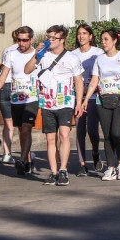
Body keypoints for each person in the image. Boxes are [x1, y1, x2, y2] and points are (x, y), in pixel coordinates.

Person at [29, 25, 84, 186]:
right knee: (50, 138)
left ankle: (63, 170)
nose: (50, 41)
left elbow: (78, 81)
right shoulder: (43, 56)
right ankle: (53, 172)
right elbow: (27, 70)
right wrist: (36, 54)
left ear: (63, 40)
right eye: (48, 37)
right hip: (47, 102)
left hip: (65, 102)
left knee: (64, 135)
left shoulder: (72, 58)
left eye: (54, 38)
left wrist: (79, 103)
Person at [81, 30, 120, 182]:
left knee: (116, 133)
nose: (104, 42)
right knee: (107, 135)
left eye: (106, 39)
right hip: (103, 99)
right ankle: (111, 167)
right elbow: (94, 81)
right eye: (102, 39)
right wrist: (86, 99)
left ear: (114, 41)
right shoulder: (99, 59)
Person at [0, 27, 39, 175]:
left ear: (31, 40)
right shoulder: (11, 54)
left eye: (25, 40)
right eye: (19, 40)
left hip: (32, 98)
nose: (22, 43)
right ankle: (28, 162)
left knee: (26, 128)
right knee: (22, 132)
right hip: (16, 98)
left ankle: (22, 160)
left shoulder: (38, 55)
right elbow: (3, 75)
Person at [72, 24, 104, 176]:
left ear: (91, 36)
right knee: (79, 131)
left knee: (92, 129)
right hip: (77, 97)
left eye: (84, 33)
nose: (81, 36)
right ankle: (82, 164)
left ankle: (96, 152)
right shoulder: (72, 54)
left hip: (93, 97)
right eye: (79, 33)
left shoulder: (98, 53)